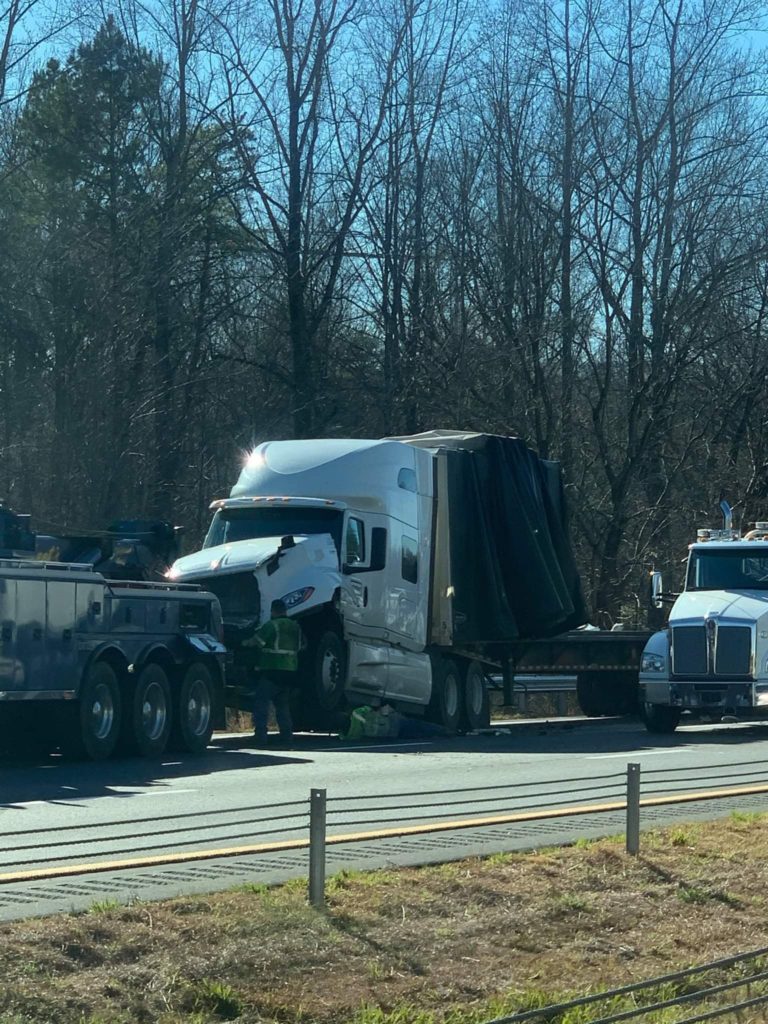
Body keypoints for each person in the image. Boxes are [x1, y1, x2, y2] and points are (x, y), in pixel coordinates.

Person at [242, 599, 306, 745]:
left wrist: (243, 643)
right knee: (282, 705)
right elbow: (303, 646)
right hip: (290, 672)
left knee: (261, 703)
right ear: (285, 610)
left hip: (272, 670)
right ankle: (286, 736)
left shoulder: (271, 625)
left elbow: (256, 642)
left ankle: (260, 736)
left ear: (273, 611)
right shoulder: (295, 627)